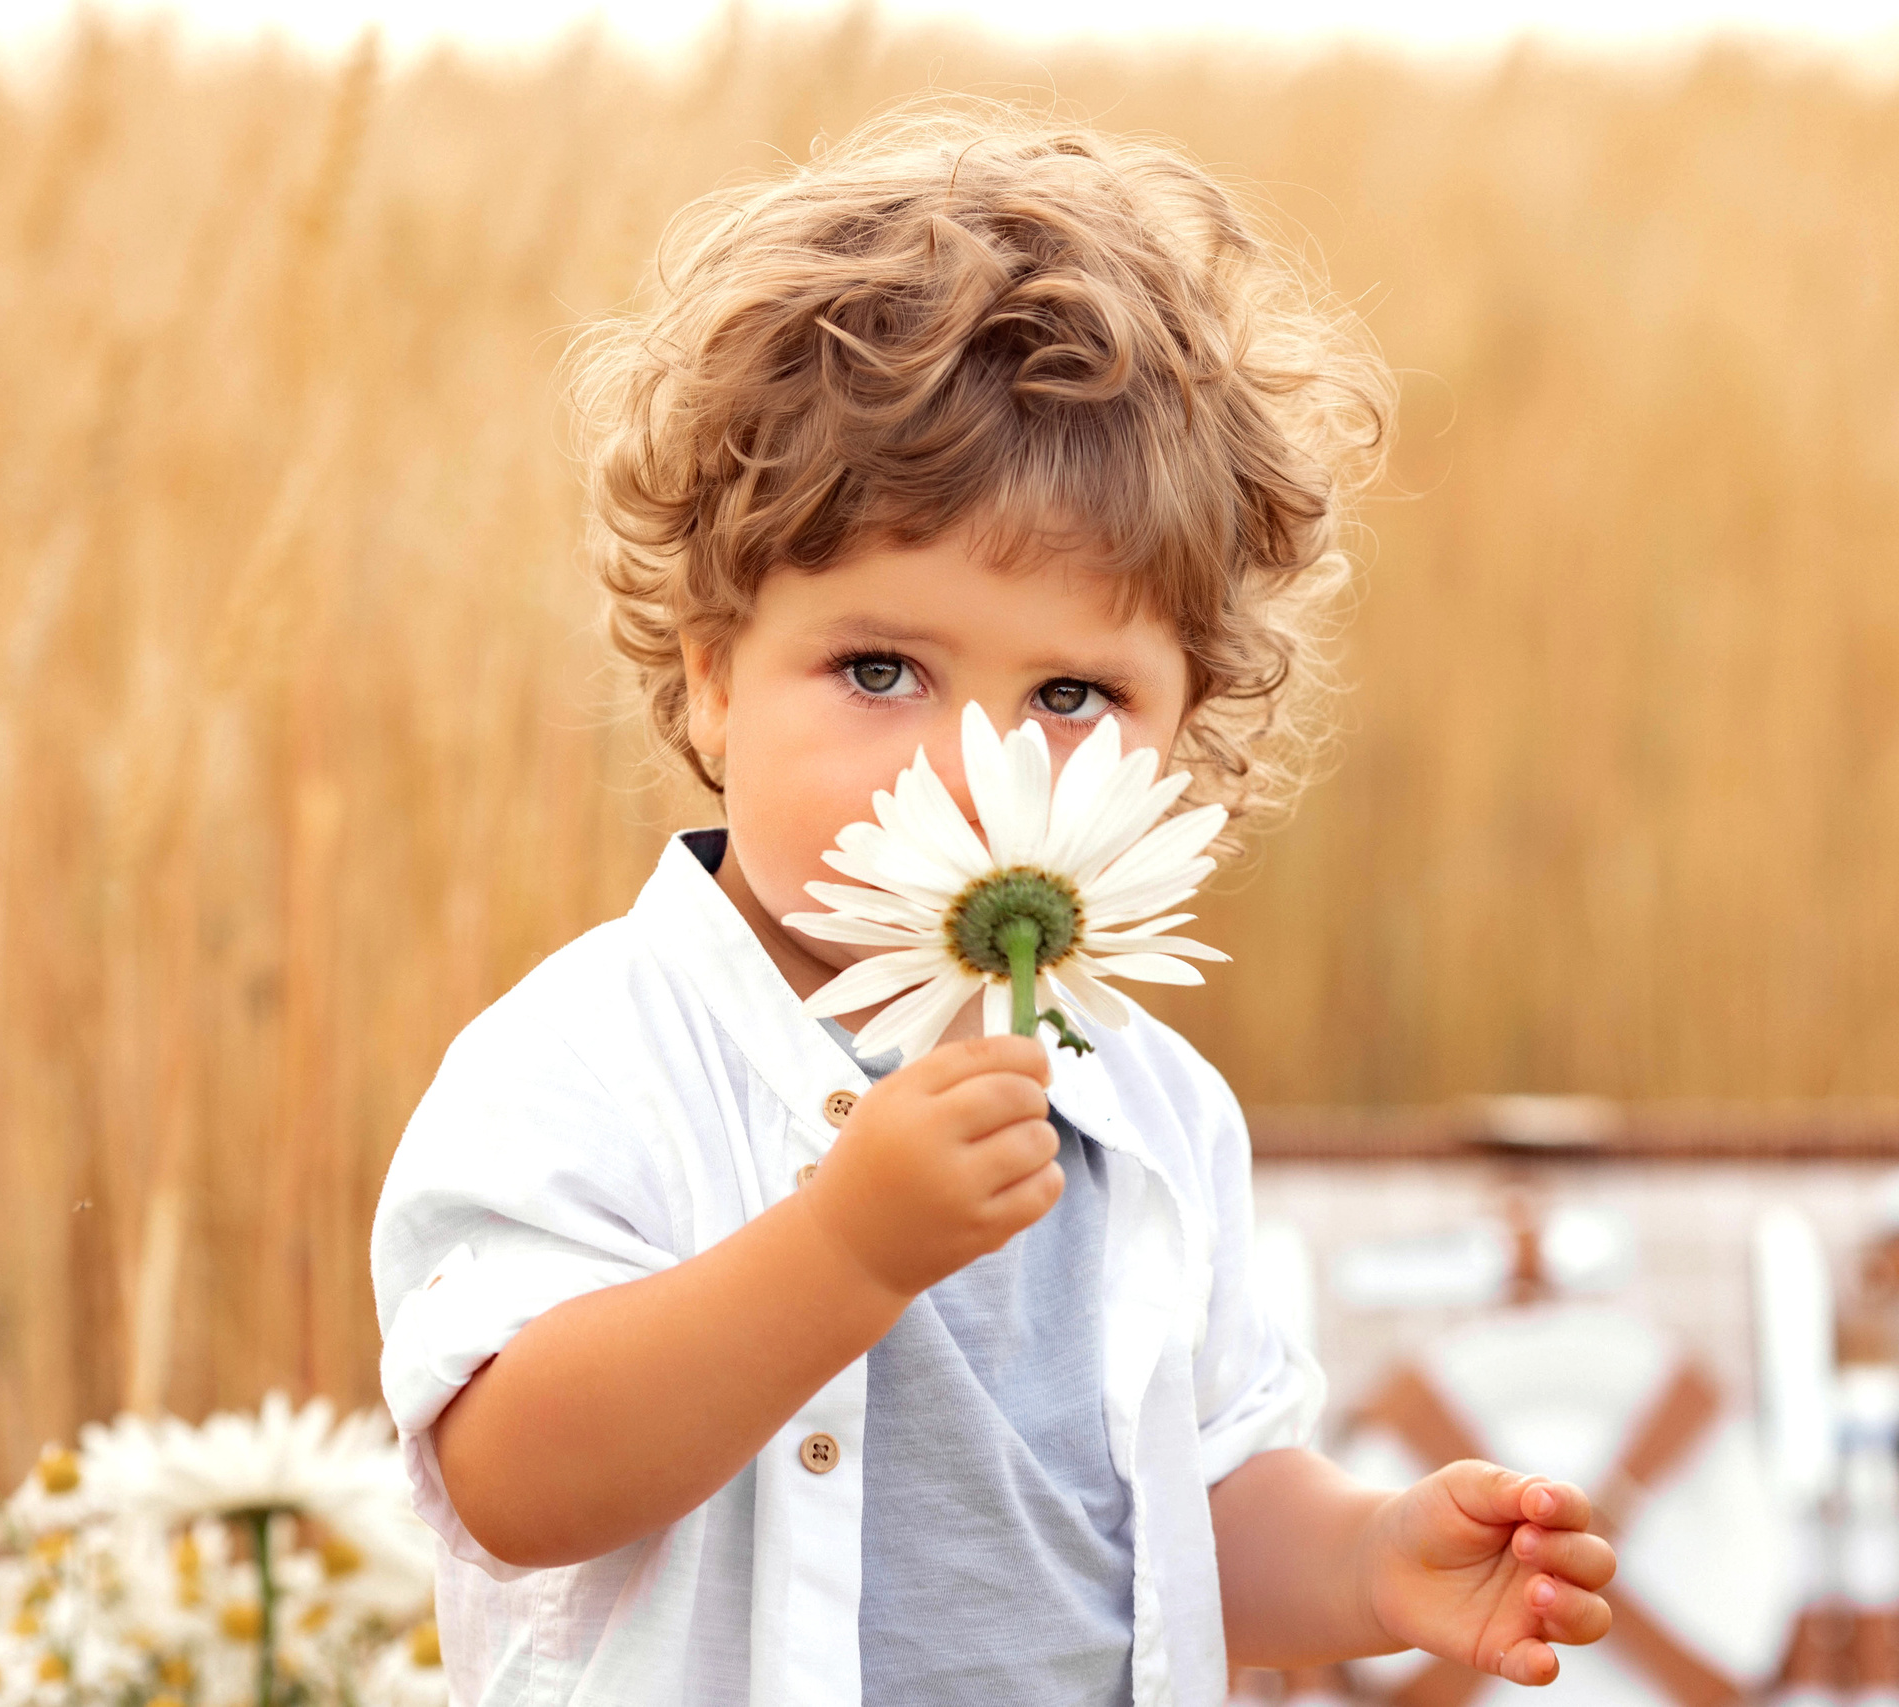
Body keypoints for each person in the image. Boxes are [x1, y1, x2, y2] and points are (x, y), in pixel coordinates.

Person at [369, 101, 1617, 1706]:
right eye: (880, 669)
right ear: (711, 679)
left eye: (1077, 694)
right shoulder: (591, 1063)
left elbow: (1186, 1513)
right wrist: (844, 1249)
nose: (974, 764)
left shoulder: (1157, 1117)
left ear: (1191, 729)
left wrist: (1375, 1561)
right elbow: (514, 1483)